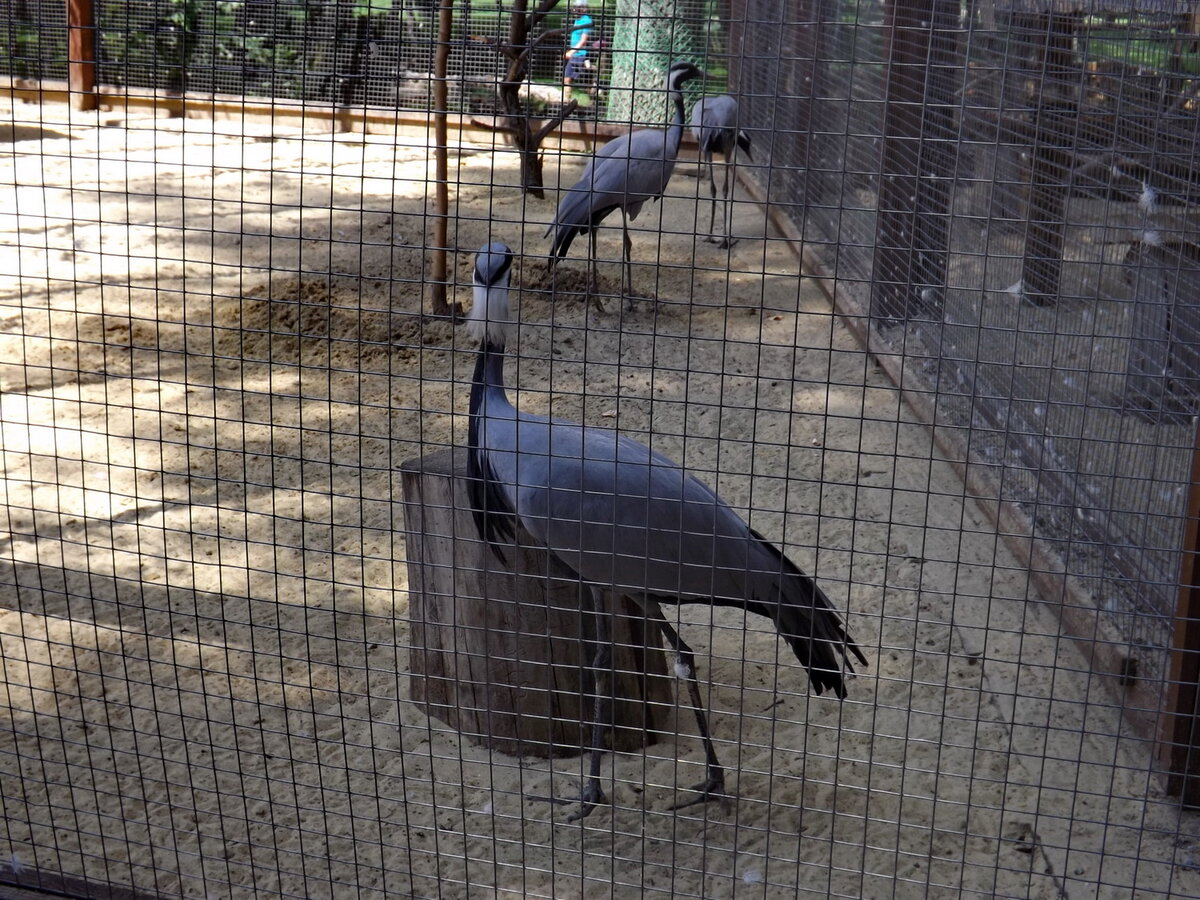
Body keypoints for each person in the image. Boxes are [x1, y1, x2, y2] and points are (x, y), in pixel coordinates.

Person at [562, 0, 592, 96]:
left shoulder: (586, 21)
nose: (574, 10)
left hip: (580, 55)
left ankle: (596, 92)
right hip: (575, 55)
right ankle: (566, 101)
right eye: (574, 7)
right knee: (567, 79)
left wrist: (571, 52)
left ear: (583, 9)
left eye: (577, 8)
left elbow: (583, 41)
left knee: (584, 83)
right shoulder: (577, 20)